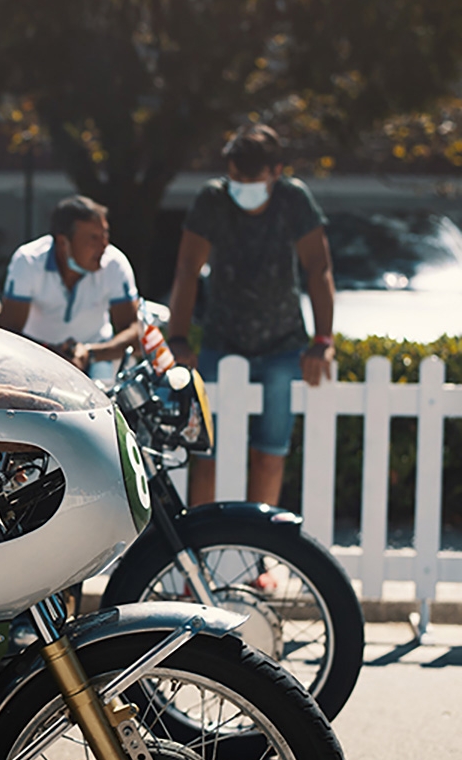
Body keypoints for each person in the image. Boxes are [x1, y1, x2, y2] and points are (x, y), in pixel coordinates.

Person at [167, 123, 335, 507]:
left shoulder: (294, 199)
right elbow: (187, 270)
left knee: (268, 455)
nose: (242, 186)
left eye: (252, 179)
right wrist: (178, 339)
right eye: (235, 178)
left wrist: (323, 339)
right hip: (221, 341)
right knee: (206, 453)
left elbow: (318, 267)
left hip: (282, 346)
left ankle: (261, 543)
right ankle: (204, 538)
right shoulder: (213, 199)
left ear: (276, 171)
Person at [0, 196, 141, 381]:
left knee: (104, 391)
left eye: (105, 235)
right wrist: (52, 353)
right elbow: (7, 332)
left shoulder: (114, 263)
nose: (104, 245)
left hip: (97, 356)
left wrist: (90, 353)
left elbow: (136, 332)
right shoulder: (28, 261)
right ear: (63, 242)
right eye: (94, 238)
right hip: (36, 356)